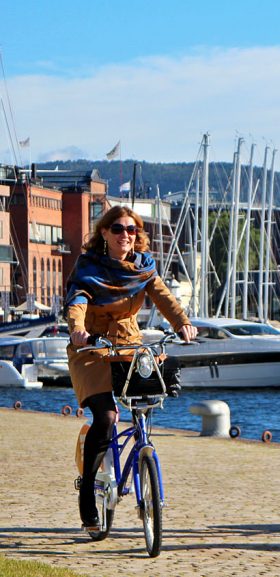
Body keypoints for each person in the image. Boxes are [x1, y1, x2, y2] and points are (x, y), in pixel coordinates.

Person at [65, 206, 198, 530]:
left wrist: (182, 323)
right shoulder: (89, 267)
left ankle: (142, 455)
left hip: (128, 344)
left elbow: (164, 298)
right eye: (118, 229)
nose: (125, 235)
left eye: (131, 230)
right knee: (107, 416)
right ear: (105, 233)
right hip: (92, 346)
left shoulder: (143, 268)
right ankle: (87, 494)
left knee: (147, 399)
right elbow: (78, 302)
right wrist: (78, 331)